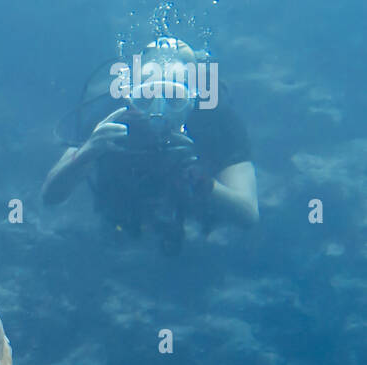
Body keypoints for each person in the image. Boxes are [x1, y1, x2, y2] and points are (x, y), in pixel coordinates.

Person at [42, 37, 258, 253]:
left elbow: (248, 213)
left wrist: (202, 182)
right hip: (121, 226)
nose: (158, 111)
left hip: (194, 235)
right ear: (129, 95)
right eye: (146, 97)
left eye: (174, 98)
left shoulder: (216, 121)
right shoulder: (110, 117)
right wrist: (87, 151)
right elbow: (51, 196)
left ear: (193, 97)